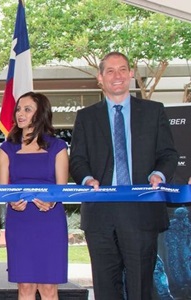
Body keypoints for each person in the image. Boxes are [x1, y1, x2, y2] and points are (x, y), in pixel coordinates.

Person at [70, 51, 178, 300]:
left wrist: (158, 174)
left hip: (141, 211)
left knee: (141, 288)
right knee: (106, 289)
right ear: (100, 78)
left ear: (131, 74)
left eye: (122, 69)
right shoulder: (85, 117)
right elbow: (77, 159)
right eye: (110, 70)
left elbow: (168, 153)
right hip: (100, 214)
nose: (116, 76)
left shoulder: (154, 111)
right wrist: (87, 179)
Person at [0, 92, 68, 300]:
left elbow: (61, 189)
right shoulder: (6, 148)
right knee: (25, 287)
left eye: (27, 109)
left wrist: (52, 201)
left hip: (50, 221)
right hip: (20, 221)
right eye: (18, 109)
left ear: (41, 114)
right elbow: (3, 189)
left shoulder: (58, 147)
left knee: (48, 288)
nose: (20, 113)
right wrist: (11, 200)